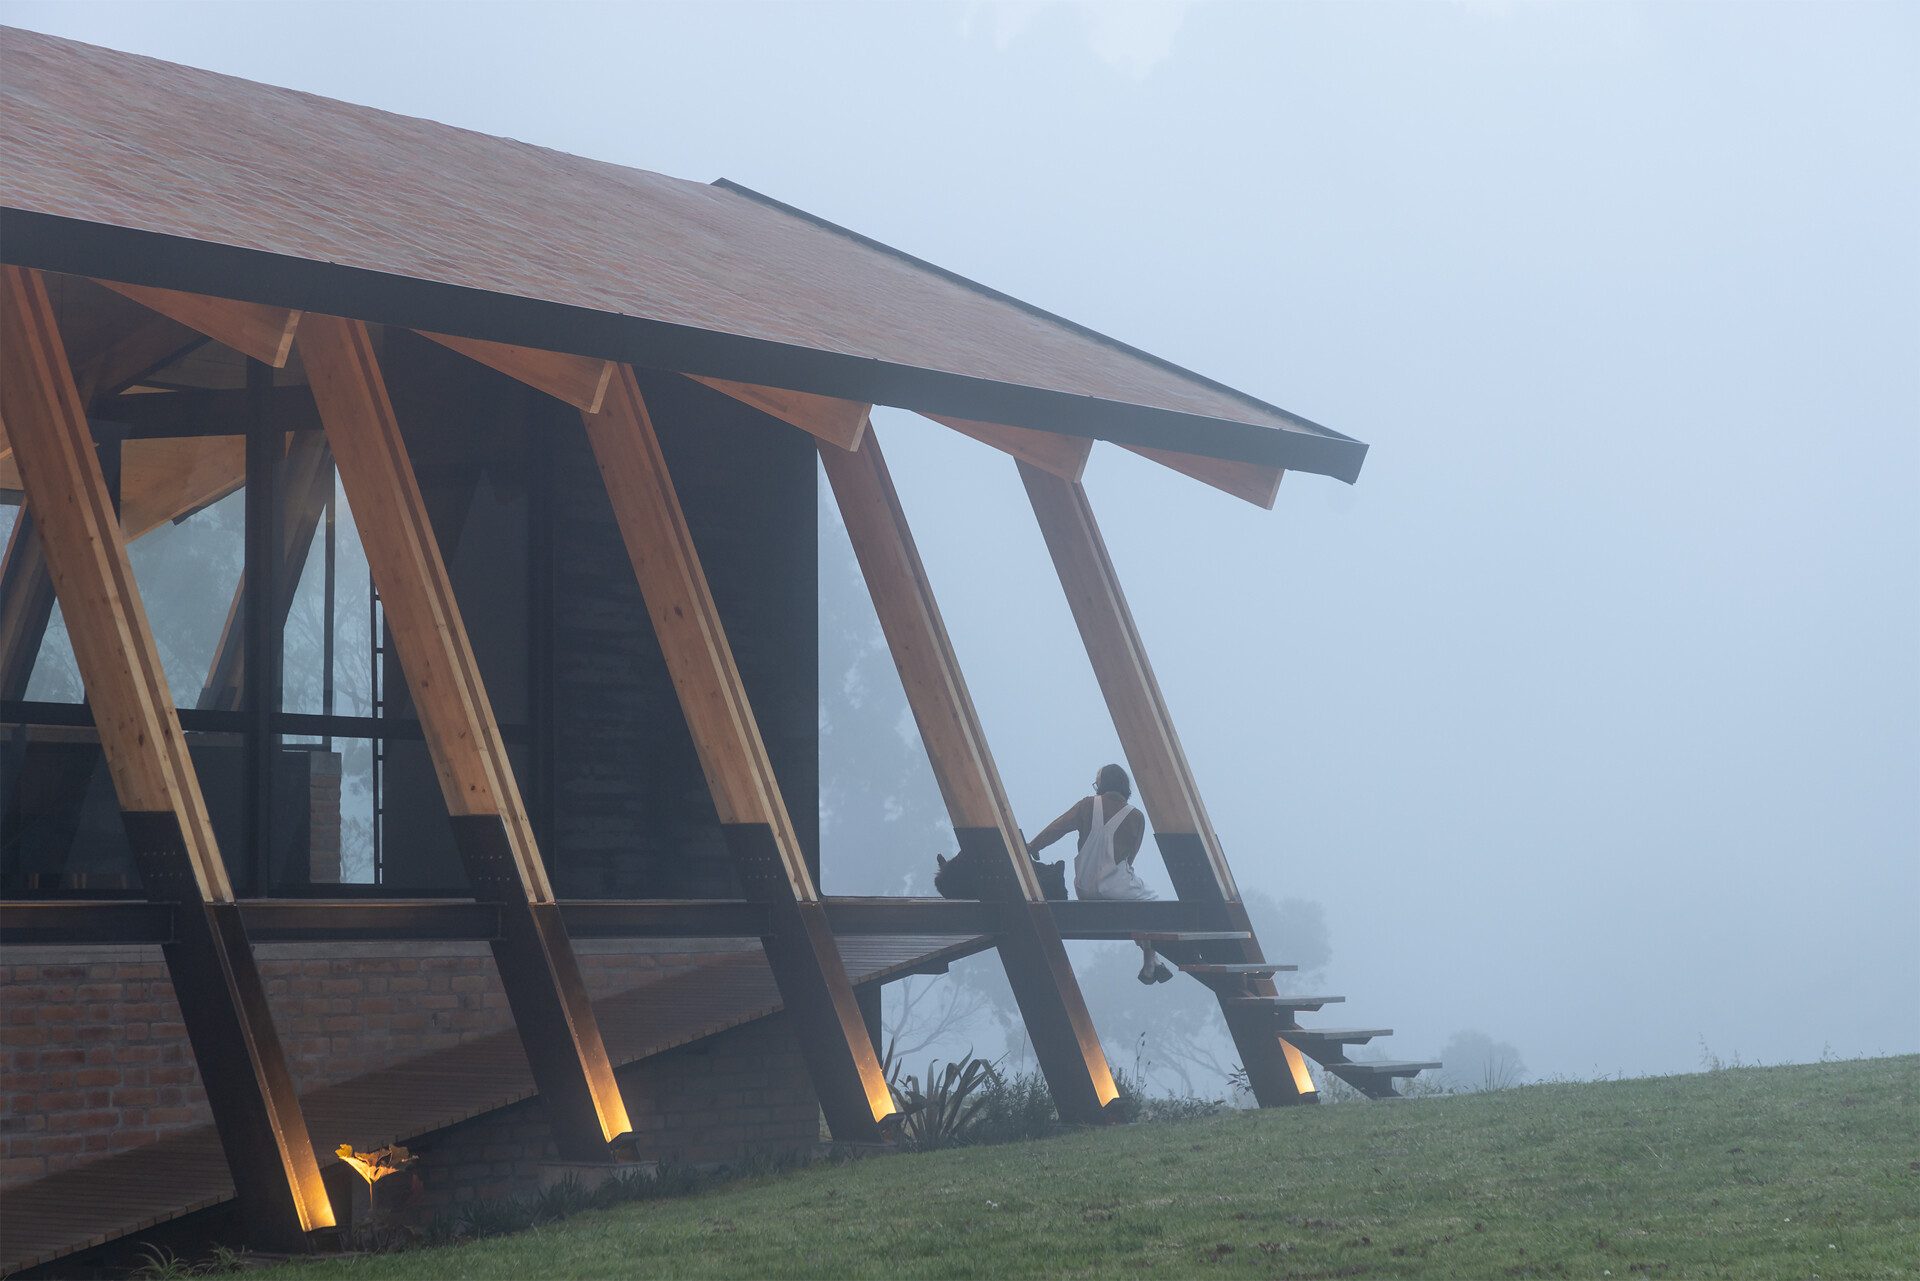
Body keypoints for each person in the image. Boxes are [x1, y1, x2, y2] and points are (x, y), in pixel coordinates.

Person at [1026, 763, 1171, 985]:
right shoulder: (1136, 817)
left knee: (1140, 907)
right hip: (1117, 887)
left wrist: (1033, 846)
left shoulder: (1086, 806)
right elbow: (1130, 859)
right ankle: (1150, 960)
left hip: (1084, 887)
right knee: (1150, 905)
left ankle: (1154, 963)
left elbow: (1057, 828)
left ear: (1102, 784)